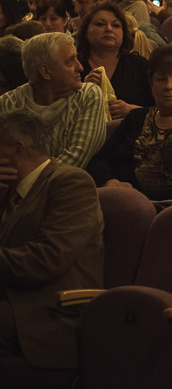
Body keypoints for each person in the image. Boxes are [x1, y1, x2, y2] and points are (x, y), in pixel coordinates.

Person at [0, 109, 104, 371]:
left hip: (47, 309)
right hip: (13, 299)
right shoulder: (7, 190)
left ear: (16, 150)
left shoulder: (71, 182)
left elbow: (47, 259)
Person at [87, 44, 172, 202]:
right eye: (161, 79)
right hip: (114, 199)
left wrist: (137, 198)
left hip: (168, 210)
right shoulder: (136, 118)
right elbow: (99, 159)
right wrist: (110, 182)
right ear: (152, 85)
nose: (169, 86)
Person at [0, 32, 107, 167]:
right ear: (45, 72)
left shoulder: (87, 96)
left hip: (70, 185)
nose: (80, 67)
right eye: (70, 61)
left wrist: (28, 179)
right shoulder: (8, 103)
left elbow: (75, 159)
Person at [76, 1, 151, 120]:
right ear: (86, 32)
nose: (109, 29)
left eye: (116, 25)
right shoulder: (74, 66)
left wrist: (132, 110)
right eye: (100, 24)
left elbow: (161, 110)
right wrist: (82, 91)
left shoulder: (140, 65)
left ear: (123, 33)